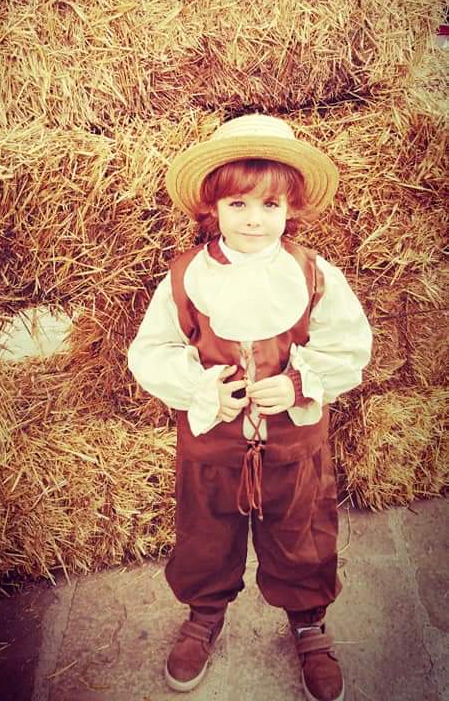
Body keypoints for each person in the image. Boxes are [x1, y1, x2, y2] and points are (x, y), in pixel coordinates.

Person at [128, 114, 372, 701]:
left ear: (291, 208)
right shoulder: (186, 278)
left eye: (270, 205)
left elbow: (348, 345)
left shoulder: (313, 276)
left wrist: (299, 383)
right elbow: (152, 350)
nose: (254, 219)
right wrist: (200, 390)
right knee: (205, 532)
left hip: (294, 445)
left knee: (302, 532)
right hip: (212, 444)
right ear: (214, 206)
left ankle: (308, 622)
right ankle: (204, 614)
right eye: (238, 204)